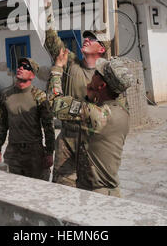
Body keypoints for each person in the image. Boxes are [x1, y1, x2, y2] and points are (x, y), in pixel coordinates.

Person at [42, 0, 111, 187]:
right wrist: (47, 5)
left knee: (93, 189)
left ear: (101, 49)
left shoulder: (109, 75)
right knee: (64, 186)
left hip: (94, 140)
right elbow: (50, 39)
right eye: (86, 37)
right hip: (68, 138)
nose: (86, 39)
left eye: (92, 39)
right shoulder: (71, 62)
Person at [48, 48, 133, 197]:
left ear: (102, 85)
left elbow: (55, 103)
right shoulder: (122, 109)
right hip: (111, 192)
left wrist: (57, 69)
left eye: (96, 74)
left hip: (95, 195)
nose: (92, 75)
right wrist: (92, 94)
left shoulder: (95, 114)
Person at [0, 57, 55, 181]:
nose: (21, 68)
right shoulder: (6, 96)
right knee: (14, 188)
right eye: (20, 65)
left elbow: (49, 126)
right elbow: (2, 125)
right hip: (13, 152)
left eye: (26, 67)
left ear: (32, 75)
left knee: (38, 189)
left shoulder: (39, 96)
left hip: (34, 152)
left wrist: (49, 152)